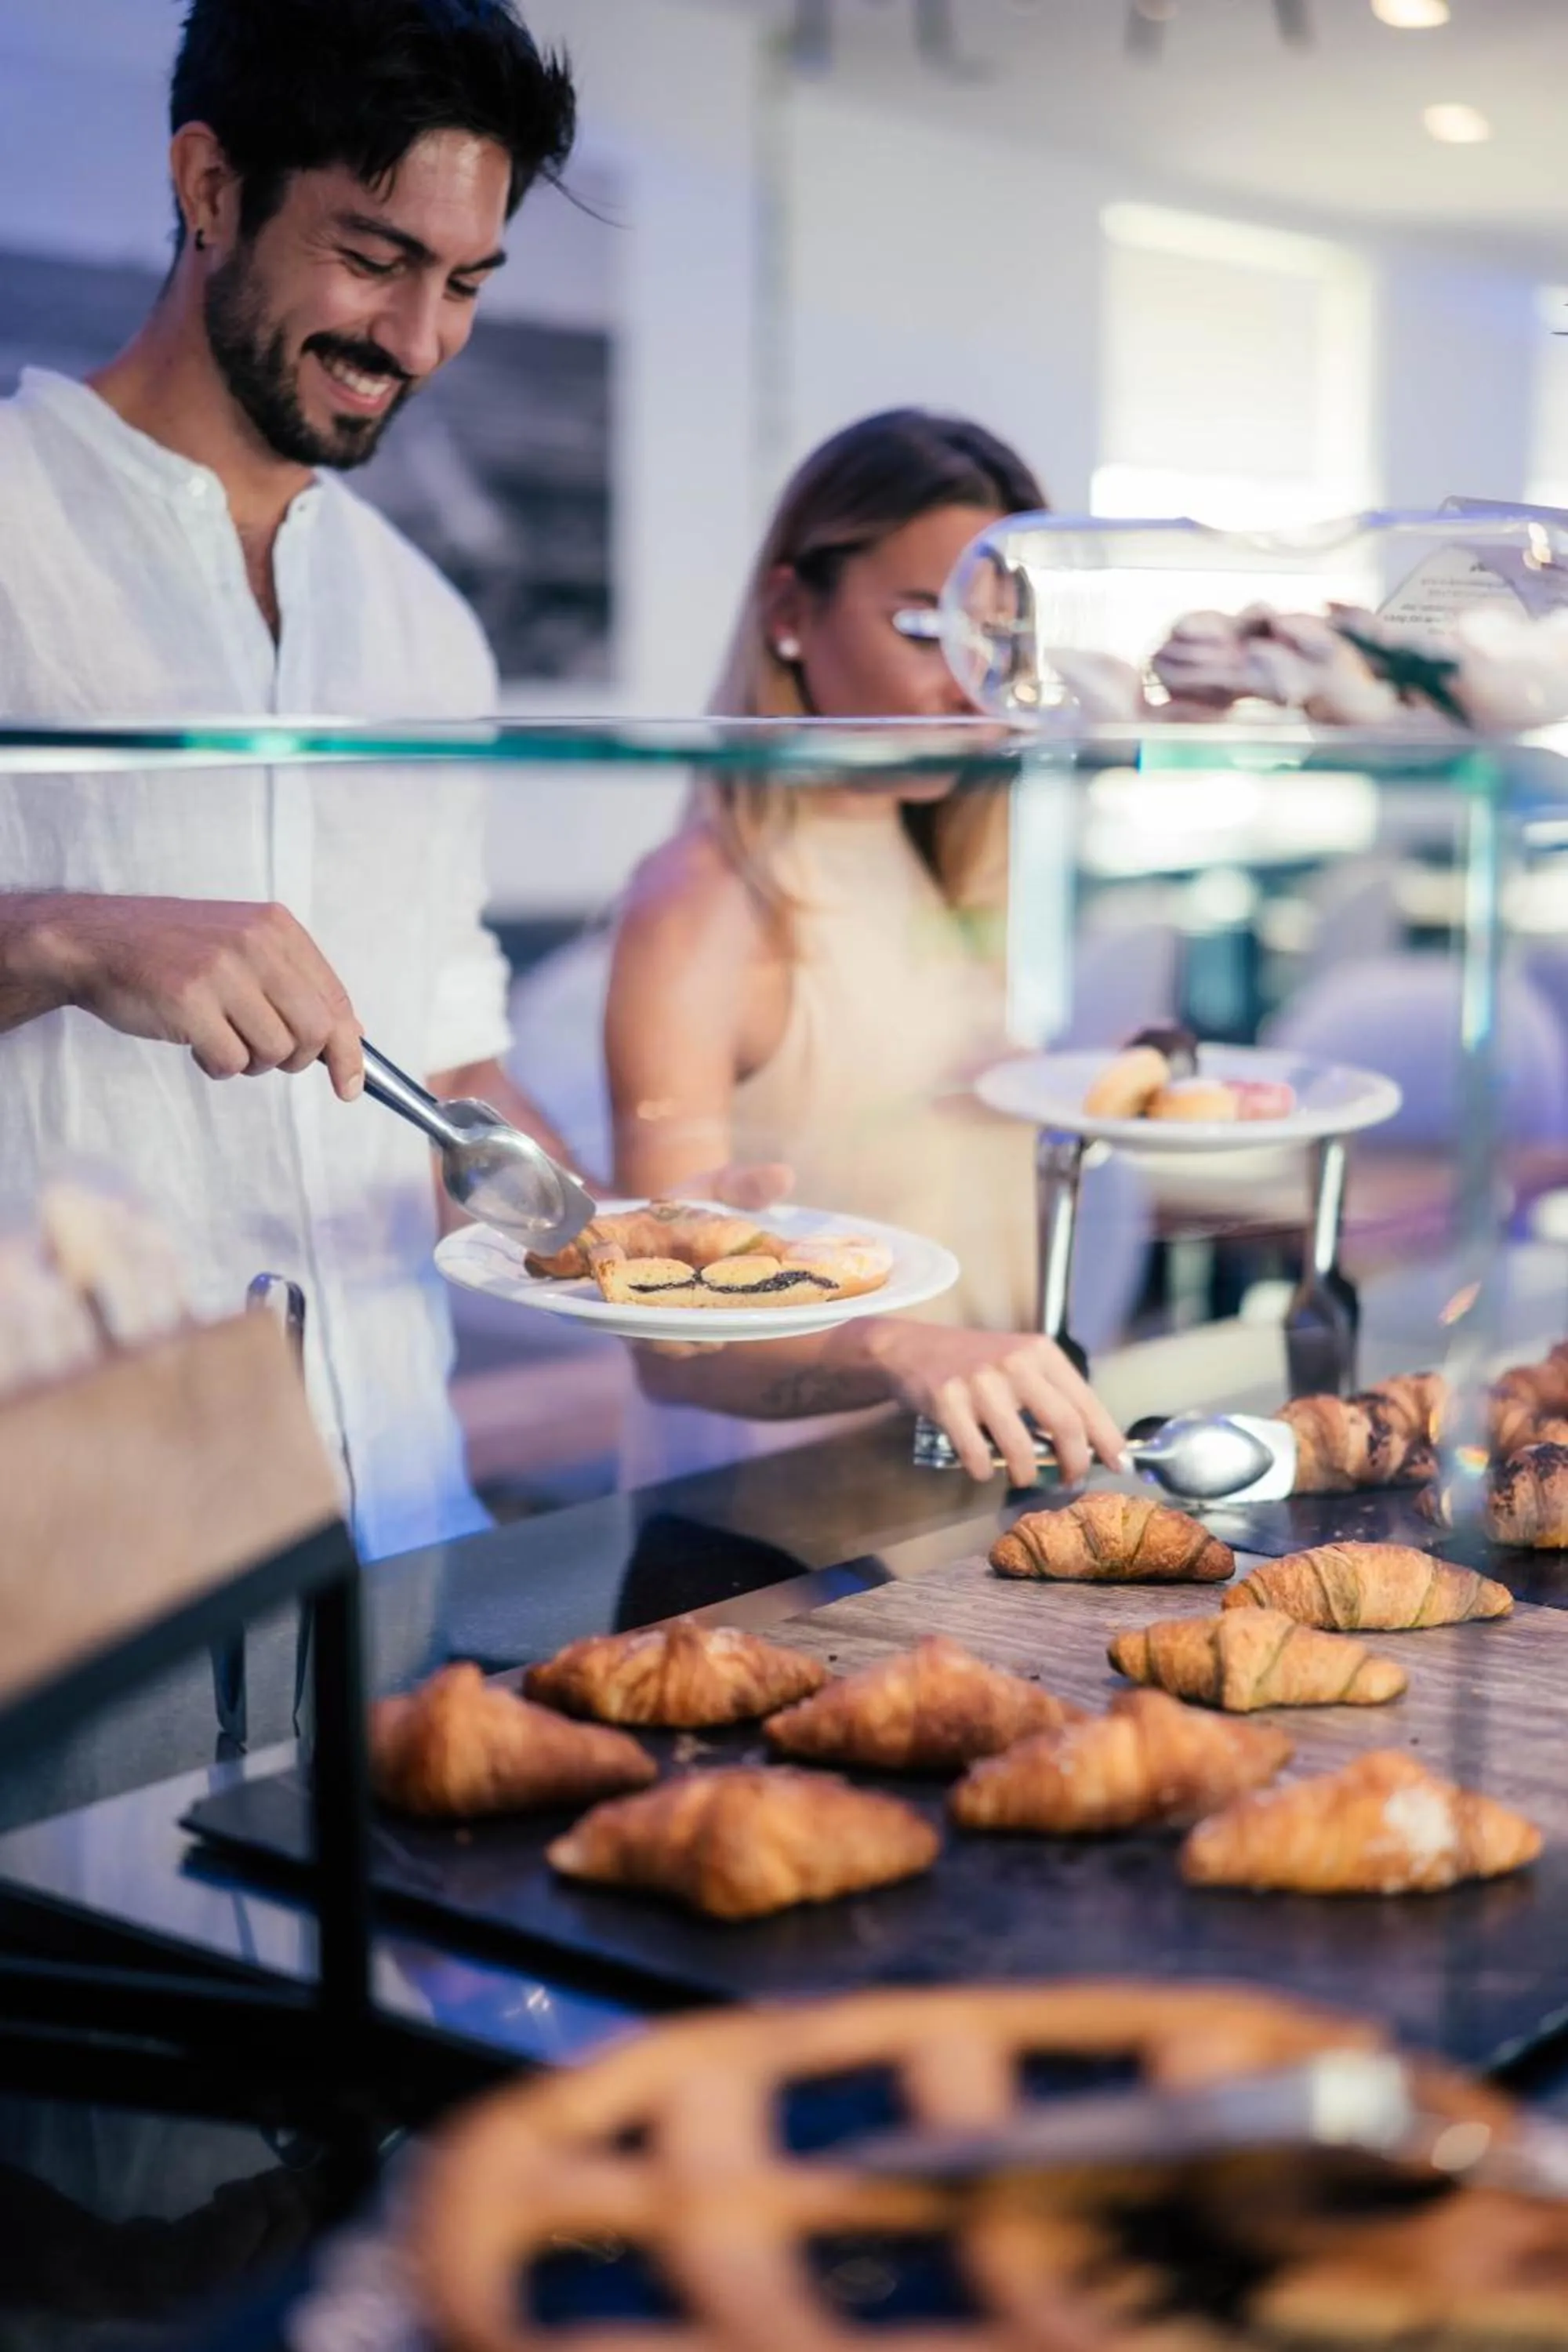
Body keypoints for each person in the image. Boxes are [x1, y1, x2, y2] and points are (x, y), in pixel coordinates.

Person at [606, 409, 1131, 1488]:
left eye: (1000, 643)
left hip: (947, 1485)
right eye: (923, 629)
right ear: (792, 612)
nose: (969, 684)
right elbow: (669, 1341)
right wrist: (898, 1346)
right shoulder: (703, 902)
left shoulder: (933, 854)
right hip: (763, 1528)